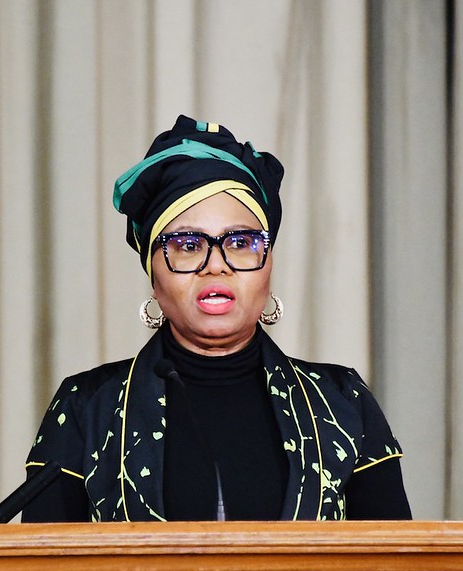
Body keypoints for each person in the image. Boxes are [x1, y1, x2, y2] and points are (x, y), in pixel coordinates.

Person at [22, 115, 411, 522]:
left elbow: (398, 561)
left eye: (240, 242)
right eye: (188, 245)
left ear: (269, 265)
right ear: (154, 277)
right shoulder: (87, 407)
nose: (216, 266)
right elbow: (38, 561)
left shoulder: (341, 403)